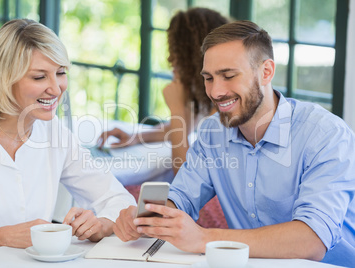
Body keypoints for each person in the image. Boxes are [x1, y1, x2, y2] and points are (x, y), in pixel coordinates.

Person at [113, 20, 355, 267]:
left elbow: (312, 240)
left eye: (228, 76)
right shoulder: (212, 133)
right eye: (209, 78)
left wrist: (204, 238)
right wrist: (146, 217)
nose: (216, 92)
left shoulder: (326, 135)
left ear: (266, 72)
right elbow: (182, 196)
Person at [0, 19, 136, 254]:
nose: (56, 88)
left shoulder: (55, 133)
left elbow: (118, 198)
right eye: (39, 77)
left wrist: (101, 224)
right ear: (4, 79)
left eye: (60, 73)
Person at [98, 8, 230, 174]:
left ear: (194, 56)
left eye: (176, 52)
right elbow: (178, 129)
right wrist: (135, 137)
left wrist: (177, 110)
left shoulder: (226, 107)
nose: (170, 60)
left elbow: (186, 177)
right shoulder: (210, 96)